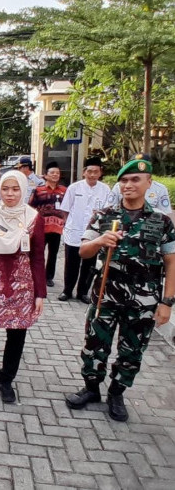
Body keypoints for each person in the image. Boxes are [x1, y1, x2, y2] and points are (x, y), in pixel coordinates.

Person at [65, 156, 175, 422]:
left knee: (132, 351)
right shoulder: (104, 216)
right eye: (124, 180)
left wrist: (166, 302)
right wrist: (101, 239)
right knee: (94, 345)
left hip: (144, 300)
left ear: (149, 183)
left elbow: (171, 263)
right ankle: (91, 389)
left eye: (135, 179)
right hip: (106, 295)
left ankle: (116, 393)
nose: (128, 185)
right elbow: (83, 251)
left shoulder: (162, 222)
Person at [0, 170, 46, 403]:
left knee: (17, 334)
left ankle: (6, 379)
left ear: (23, 190)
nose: (10, 194)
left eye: (15, 189)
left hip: (22, 285)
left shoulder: (34, 218)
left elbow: (37, 258)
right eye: (5, 189)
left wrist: (40, 293)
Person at [57, 157, 110, 303]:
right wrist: (67, 225)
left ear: (100, 173)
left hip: (93, 234)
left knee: (89, 264)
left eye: (96, 172)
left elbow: (107, 212)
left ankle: (83, 292)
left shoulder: (105, 189)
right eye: (90, 171)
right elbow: (65, 209)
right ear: (84, 172)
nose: (92, 174)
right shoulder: (74, 188)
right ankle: (67, 290)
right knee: (71, 263)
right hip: (74, 230)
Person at [29, 161, 67, 287]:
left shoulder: (64, 191)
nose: (55, 175)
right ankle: (35, 274)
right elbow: (31, 208)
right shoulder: (38, 191)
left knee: (53, 253)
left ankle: (49, 277)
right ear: (45, 175)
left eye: (57, 173)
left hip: (57, 229)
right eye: (52, 173)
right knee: (38, 253)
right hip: (41, 228)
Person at [107, 153, 172, 215]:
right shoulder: (119, 186)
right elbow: (110, 208)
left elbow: (165, 213)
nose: (128, 186)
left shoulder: (160, 188)